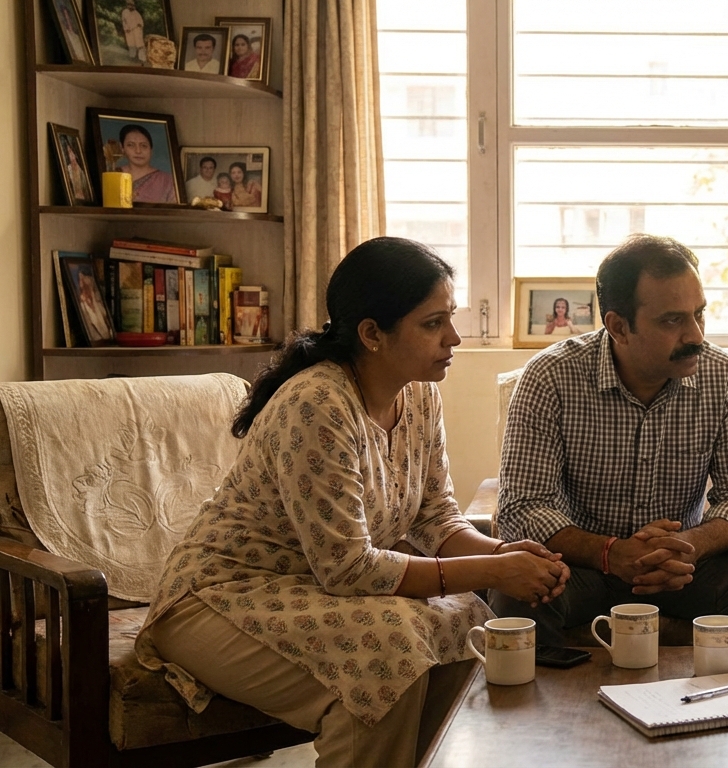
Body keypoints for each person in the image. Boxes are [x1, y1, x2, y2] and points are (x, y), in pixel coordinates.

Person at [134, 237, 571, 767]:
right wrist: (494, 571)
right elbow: (348, 569)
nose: (454, 338)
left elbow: (435, 515)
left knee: (463, 620)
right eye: (433, 324)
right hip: (219, 597)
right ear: (371, 335)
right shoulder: (316, 404)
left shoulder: (418, 392)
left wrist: (497, 553)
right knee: (388, 654)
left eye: (449, 318)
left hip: (310, 589)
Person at [492, 233, 728, 648]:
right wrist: (612, 553)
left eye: (699, 314)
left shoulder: (724, 376)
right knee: (516, 584)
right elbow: (522, 507)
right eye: (672, 320)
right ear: (618, 326)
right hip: (583, 568)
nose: (696, 335)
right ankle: (541, 712)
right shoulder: (551, 377)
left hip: (682, 569)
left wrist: (689, 544)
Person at [116, 124, 177, 204]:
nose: (138, 151)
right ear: (122, 148)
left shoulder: (167, 181)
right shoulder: (114, 175)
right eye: (131, 145)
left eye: (144, 146)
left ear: (151, 150)